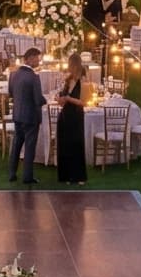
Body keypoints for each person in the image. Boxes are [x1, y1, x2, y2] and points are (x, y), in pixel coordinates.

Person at [6, 48, 45, 184]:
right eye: (37, 58)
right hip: (31, 117)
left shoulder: (13, 74)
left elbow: (11, 93)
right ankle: (27, 176)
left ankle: (12, 173)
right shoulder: (34, 77)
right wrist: (47, 100)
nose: (39, 61)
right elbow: (38, 99)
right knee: (29, 147)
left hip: (18, 114)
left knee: (16, 144)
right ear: (30, 58)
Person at [53, 63, 90, 184]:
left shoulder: (83, 82)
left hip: (76, 116)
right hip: (65, 116)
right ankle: (66, 176)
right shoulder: (68, 82)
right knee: (65, 146)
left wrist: (69, 99)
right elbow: (62, 101)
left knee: (76, 145)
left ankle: (78, 176)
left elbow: (84, 102)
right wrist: (60, 99)